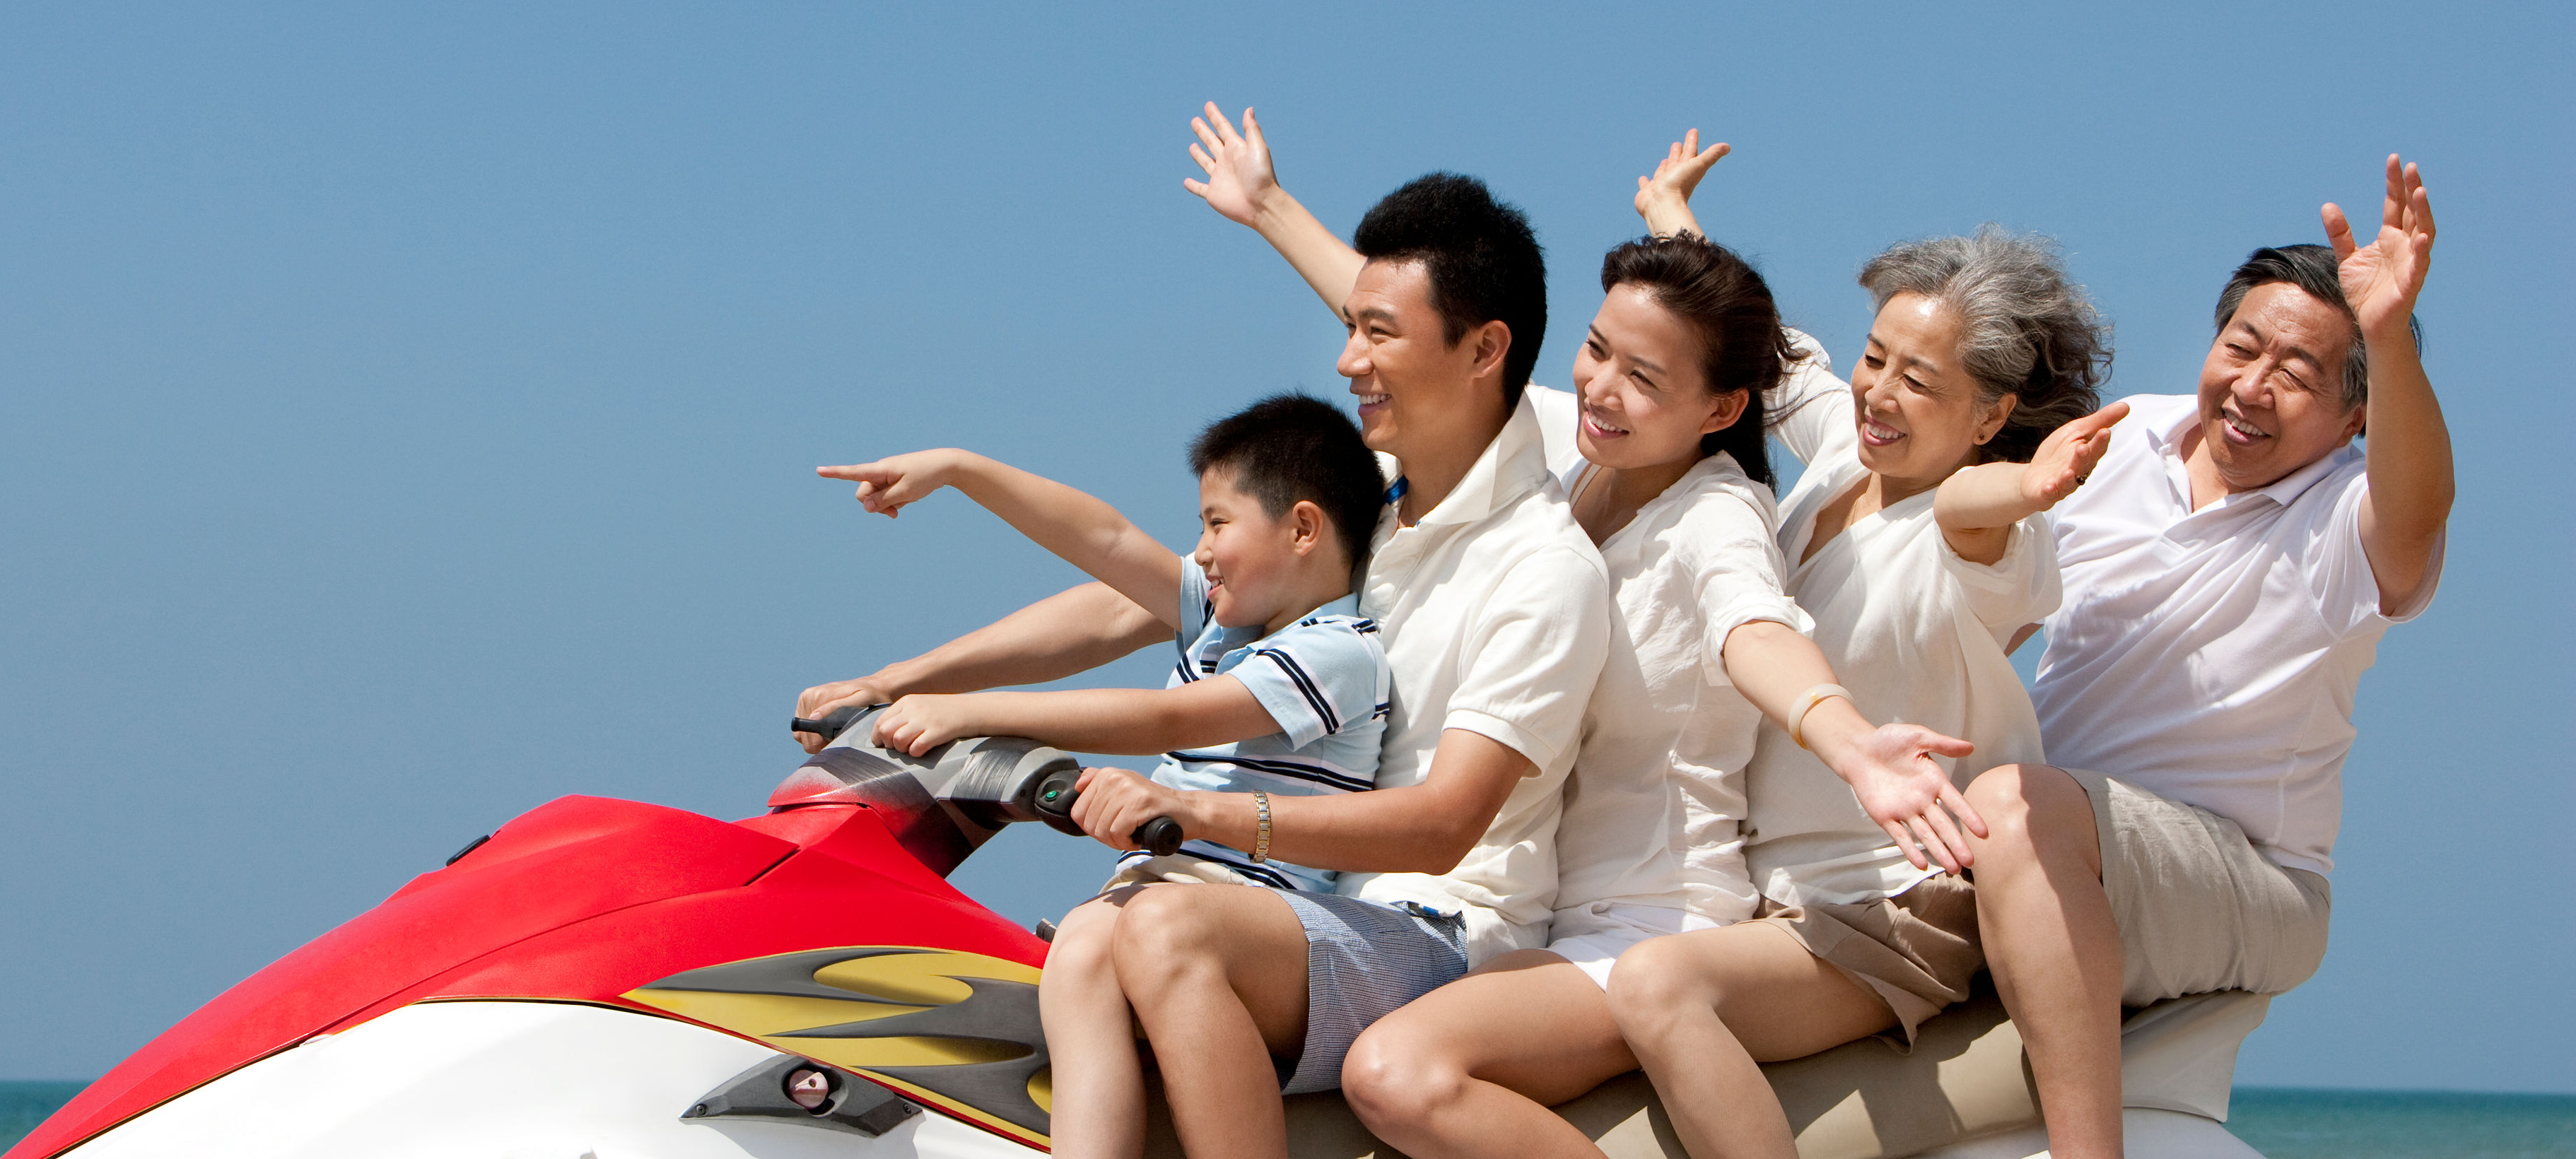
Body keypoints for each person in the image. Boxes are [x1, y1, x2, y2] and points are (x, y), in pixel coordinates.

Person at [1178, 117, 1994, 1158]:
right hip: (1554, 921)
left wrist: (1847, 740)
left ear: (1722, 407)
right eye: (1598, 352)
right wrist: (1270, 210)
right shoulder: (1583, 456)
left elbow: (1756, 631)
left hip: (1659, 929)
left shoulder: (1715, 515)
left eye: (1644, 377)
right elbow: (1432, 343)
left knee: (1398, 1072)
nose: (1605, 387)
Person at [797, 153, 1616, 1159]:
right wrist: (902, 682)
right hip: (1291, 906)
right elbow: (1130, 600)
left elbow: (1447, 826)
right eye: (1350, 329)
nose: (1349, 361)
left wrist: (1192, 816)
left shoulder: (1540, 568)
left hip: (1435, 929)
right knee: (1089, 938)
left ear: (1485, 350)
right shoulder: (1374, 504)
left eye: (1379, 334)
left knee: (1162, 925)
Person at [1588, 151, 2126, 1159]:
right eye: (1878, 356)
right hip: (1778, 898)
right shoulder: (1848, 449)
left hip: (1896, 904)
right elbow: (1764, 347)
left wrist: (2026, 486)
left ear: (1991, 417)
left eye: (1918, 380)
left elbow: (1969, 510)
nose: (1878, 389)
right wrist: (1671, 220)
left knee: (1659, 985)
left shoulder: (1990, 543)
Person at [1958, 156, 2449, 1159]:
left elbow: (2416, 521)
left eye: (2299, 373)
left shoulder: (2346, 514)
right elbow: (1981, 617)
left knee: (2016, 801)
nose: (2252, 387)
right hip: (2059, 837)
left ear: (2356, 416)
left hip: (2249, 876)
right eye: (2241, 347)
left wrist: (2390, 337)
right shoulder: (2126, 437)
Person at [815, 393, 1393, 899]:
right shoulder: (1231, 622)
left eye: (1218, 524)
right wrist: (961, 469)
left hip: (1244, 902)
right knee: (1071, 959)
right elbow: (1108, 544)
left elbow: (1170, 719)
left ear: (1301, 530)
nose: (1203, 550)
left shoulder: (1333, 650)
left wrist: (964, 712)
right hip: (1157, 884)